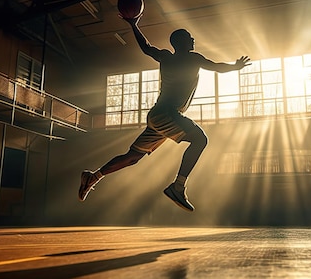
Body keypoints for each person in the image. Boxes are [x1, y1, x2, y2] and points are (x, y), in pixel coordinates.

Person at [78, 13, 250, 212]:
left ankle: (93, 176)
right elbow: (216, 67)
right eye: (189, 37)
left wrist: (134, 25)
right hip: (168, 114)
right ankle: (178, 187)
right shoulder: (193, 58)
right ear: (182, 42)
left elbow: (146, 47)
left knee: (133, 156)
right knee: (200, 139)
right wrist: (235, 67)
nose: (193, 39)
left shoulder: (165, 57)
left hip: (157, 116)